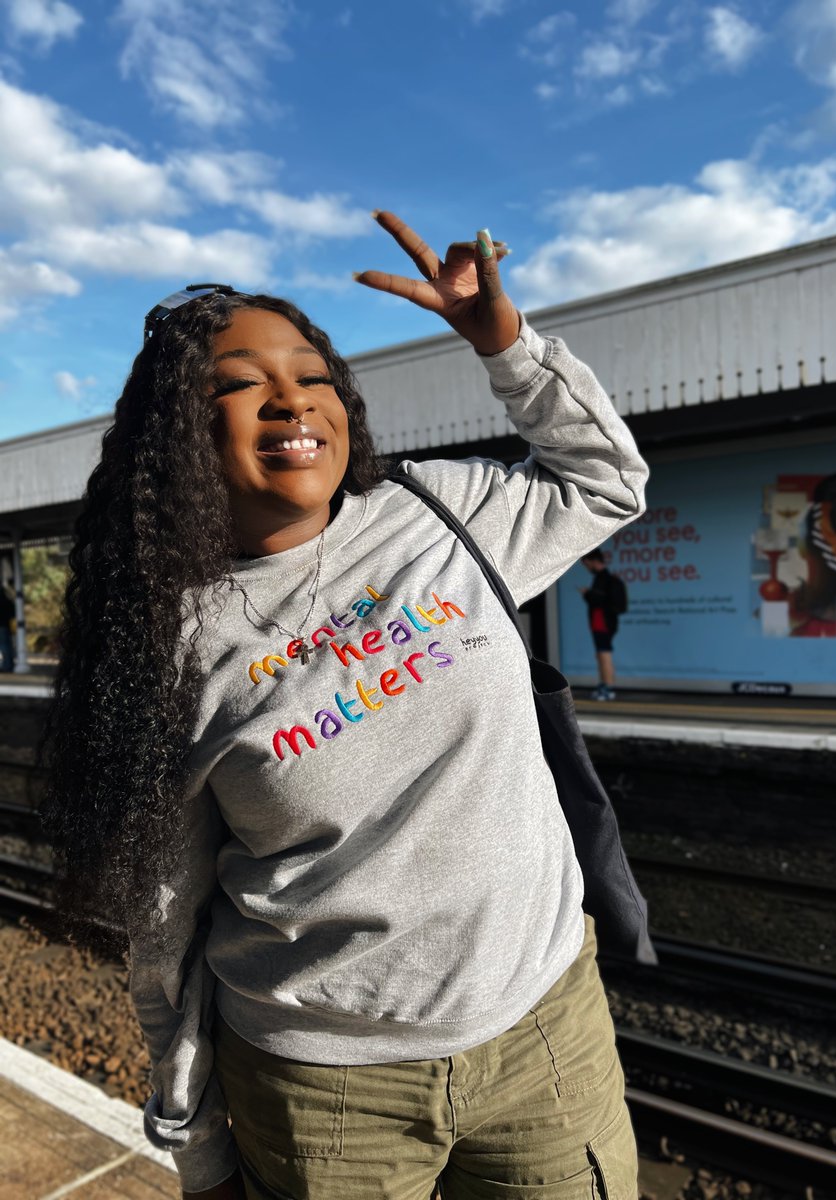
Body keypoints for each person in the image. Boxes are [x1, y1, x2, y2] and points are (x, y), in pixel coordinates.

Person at [42, 213, 649, 1200]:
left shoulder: (437, 516)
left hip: (547, 1035)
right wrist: (197, 1148)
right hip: (325, 1093)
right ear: (183, 438)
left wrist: (506, 345)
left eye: (313, 375)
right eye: (240, 386)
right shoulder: (172, 644)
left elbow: (609, 481)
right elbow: (165, 926)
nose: (292, 400)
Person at [580, 549, 627, 701]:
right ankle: (605, 685)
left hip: (601, 621)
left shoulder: (601, 578)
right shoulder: (607, 578)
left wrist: (587, 594)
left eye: (586, 564)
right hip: (604, 621)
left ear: (593, 561)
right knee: (602, 654)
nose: (586, 568)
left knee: (604, 654)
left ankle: (608, 688)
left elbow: (598, 600)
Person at [0, 581, 14, 672]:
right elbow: (12, 612)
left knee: (4, 646)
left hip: (1, 625)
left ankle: (7, 666)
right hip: (6, 625)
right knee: (7, 646)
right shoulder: (7, 601)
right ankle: (8, 664)